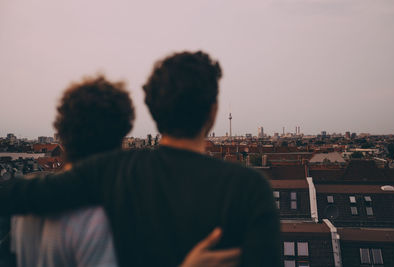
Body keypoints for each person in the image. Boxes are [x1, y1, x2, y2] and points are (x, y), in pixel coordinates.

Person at [0, 51, 280, 267]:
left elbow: (19, 194)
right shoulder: (249, 188)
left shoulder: (116, 171)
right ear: (212, 112)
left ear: (154, 111)